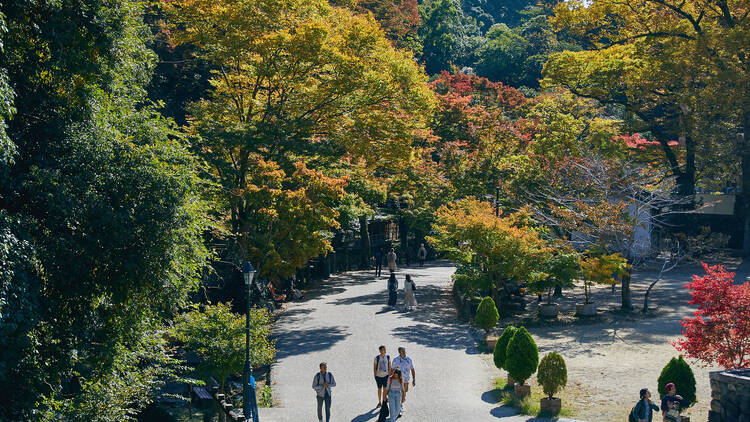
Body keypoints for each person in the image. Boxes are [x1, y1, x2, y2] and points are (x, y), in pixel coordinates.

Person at [391, 347, 415, 413]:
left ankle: (400, 403)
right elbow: (392, 369)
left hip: (406, 379)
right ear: (399, 352)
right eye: (403, 351)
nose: (404, 352)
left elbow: (412, 369)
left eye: (404, 351)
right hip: (398, 380)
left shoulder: (409, 359)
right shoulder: (396, 360)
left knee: (405, 392)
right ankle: (400, 405)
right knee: (400, 392)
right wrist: (390, 379)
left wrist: (414, 379)